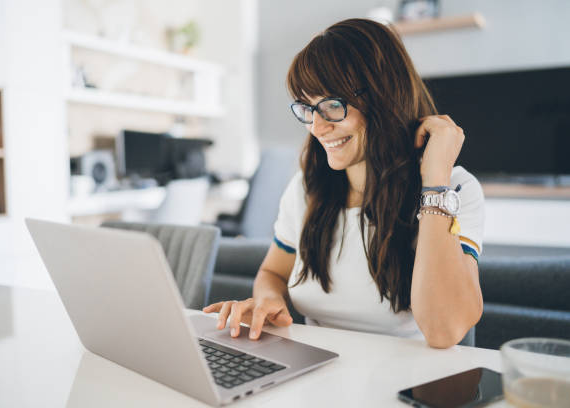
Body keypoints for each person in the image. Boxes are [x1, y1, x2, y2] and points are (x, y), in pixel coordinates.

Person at [203, 18, 484, 349]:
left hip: (409, 383)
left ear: (384, 97)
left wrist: (435, 183)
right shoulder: (306, 189)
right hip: (314, 372)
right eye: (308, 108)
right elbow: (272, 274)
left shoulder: (455, 190)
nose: (317, 127)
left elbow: (445, 332)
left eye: (333, 106)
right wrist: (268, 299)